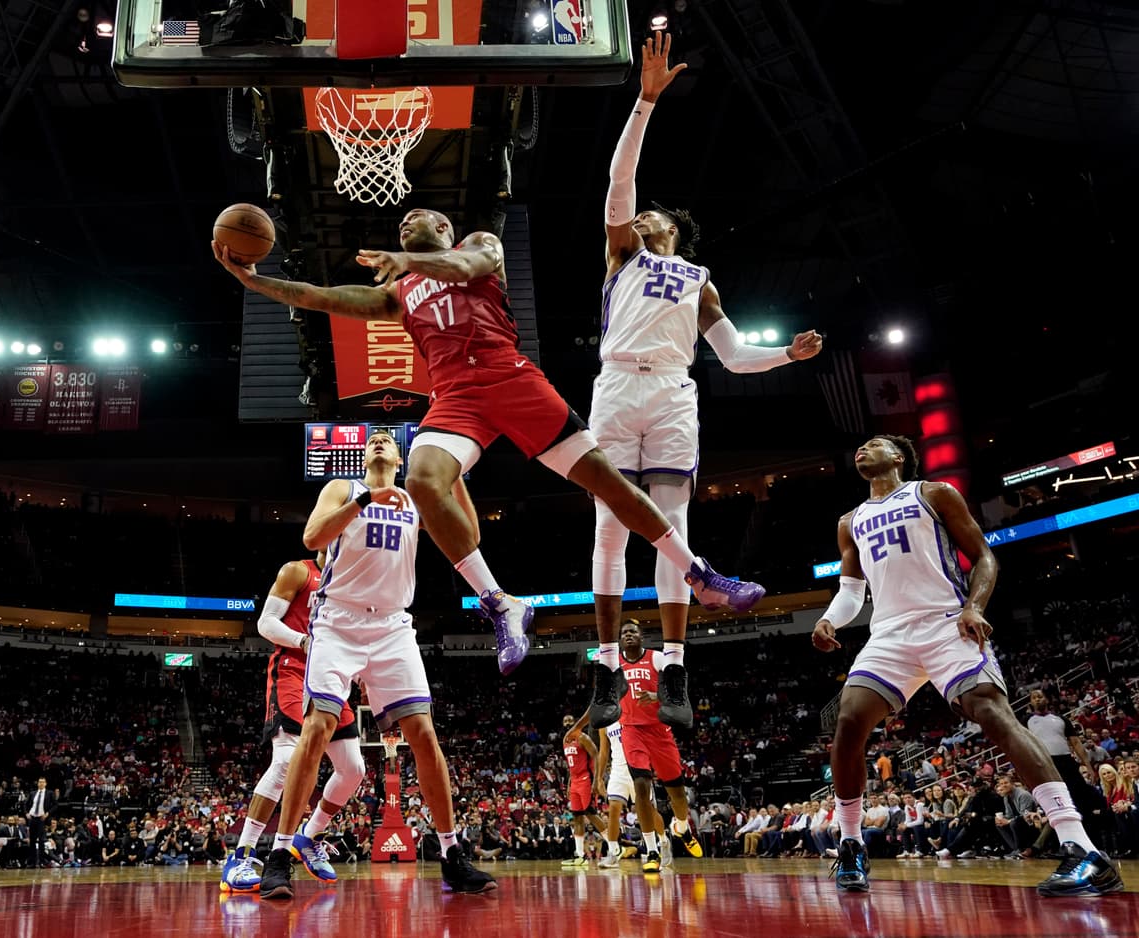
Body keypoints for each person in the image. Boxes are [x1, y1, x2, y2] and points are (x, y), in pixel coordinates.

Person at [212, 209, 760, 686]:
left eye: (417, 218)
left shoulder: (478, 245)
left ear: (444, 228)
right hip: (456, 397)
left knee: (611, 487)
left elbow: (464, 268)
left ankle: (698, 572)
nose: (405, 223)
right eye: (402, 224)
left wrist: (407, 259)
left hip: (512, 380)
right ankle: (500, 602)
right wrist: (254, 281)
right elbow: (319, 297)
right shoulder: (398, 291)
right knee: (422, 482)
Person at [591, 30, 823, 729]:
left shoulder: (699, 281)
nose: (643, 212)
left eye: (655, 213)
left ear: (673, 230)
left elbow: (732, 357)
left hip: (671, 391)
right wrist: (645, 105)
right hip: (616, 384)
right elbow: (619, 182)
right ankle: (604, 670)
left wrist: (786, 355)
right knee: (610, 529)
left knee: (672, 521)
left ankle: (673, 670)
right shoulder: (623, 254)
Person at [811, 434, 1123, 897]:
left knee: (994, 715)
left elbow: (983, 557)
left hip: (945, 621)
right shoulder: (849, 520)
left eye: (874, 444)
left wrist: (974, 607)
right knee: (849, 722)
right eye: (859, 446)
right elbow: (853, 591)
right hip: (889, 634)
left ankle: (1084, 850)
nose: (862, 449)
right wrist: (829, 619)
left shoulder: (933, 493)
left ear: (898, 457)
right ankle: (851, 845)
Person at [258, 430, 495, 899]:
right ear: (365, 455)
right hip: (338, 622)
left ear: (402, 456)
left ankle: (450, 853)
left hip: (391, 626)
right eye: (375, 440)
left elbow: (469, 535)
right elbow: (312, 536)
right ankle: (280, 853)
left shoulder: (413, 498)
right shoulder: (344, 488)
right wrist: (367, 497)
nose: (381, 442)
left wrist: (459, 478)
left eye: (389, 440)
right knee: (318, 726)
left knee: (424, 733)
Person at [219, 552, 366, 893]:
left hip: (331, 677)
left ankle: (308, 836)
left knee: (353, 768)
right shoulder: (298, 571)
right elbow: (265, 623)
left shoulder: (351, 580)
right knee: (286, 761)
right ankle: (241, 856)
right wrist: (304, 641)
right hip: (293, 670)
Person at [616, 620, 704, 871]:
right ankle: (651, 849)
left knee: (676, 791)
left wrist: (658, 696)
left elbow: (678, 692)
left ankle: (682, 828)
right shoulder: (613, 665)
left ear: (642, 637)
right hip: (631, 731)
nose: (629, 635)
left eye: (633, 631)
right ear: (620, 639)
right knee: (641, 789)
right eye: (624, 633)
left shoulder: (658, 658)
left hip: (660, 731)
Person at [1027, 688, 1108, 844]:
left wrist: (1088, 767)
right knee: (1054, 804)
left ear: (1047, 699)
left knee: (1080, 800)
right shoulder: (1026, 720)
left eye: (1040, 696)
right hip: (1043, 763)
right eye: (1034, 697)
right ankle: (1061, 844)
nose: (1038, 699)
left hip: (1066, 762)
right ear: (1031, 702)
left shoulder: (1061, 719)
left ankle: (1092, 842)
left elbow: (1076, 743)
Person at [560, 711, 607, 866]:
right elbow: (571, 766)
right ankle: (580, 856)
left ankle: (614, 847)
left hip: (586, 779)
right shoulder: (565, 741)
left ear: (575, 722)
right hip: (574, 781)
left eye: (570, 721)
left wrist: (596, 781)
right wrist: (568, 784)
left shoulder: (582, 737)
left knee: (591, 814)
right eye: (565, 721)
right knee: (577, 818)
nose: (567, 723)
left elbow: (596, 755)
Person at [594, 712, 637, 868]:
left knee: (649, 813)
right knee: (613, 809)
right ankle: (613, 852)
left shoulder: (631, 713)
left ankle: (662, 843)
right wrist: (599, 778)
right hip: (618, 770)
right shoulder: (605, 722)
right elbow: (604, 752)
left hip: (637, 767)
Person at [24, 777, 56, 868]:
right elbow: (26, 804)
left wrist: (47, 813)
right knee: (32, 840)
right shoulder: (33, 793)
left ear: (45, 783)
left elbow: (55, 805)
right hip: (32, 817)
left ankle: (42, 861)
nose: (41, 784)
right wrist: (27, 813)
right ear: (37, 783)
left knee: (41, 840)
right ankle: (32, 861)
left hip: (42, 818)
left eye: (43, 782)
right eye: (39, 782)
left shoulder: (49, 793)